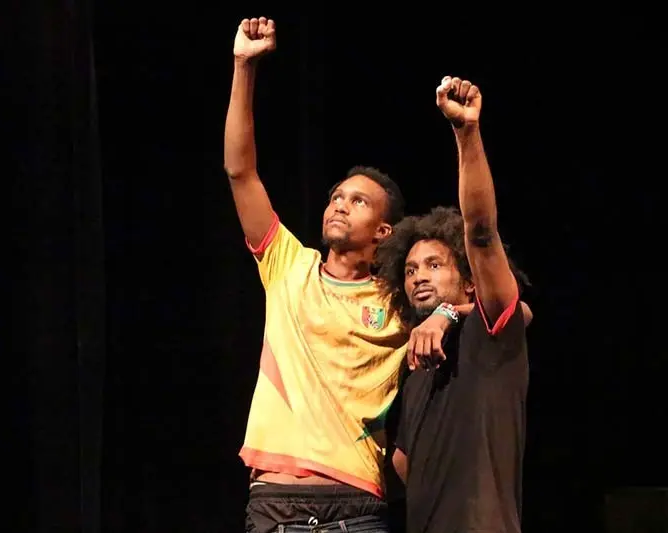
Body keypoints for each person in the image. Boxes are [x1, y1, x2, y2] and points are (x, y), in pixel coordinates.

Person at [224, 16, 437, 533]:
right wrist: (243, 67)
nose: (340, 205)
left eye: (358, 201)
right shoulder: (288, 264)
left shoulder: (399, 297)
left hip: (357, 507)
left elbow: (501, 308)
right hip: (275, 502)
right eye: (337, 197)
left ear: (384, 231)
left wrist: (444, 315)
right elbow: (240, 171)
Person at [375, 75, 531, 533]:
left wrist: (466, 132)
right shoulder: (418, 367)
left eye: (434, 265)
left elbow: (480, 232)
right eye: (410, 270)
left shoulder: (491, 335)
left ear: (469, 283)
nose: (419, 276)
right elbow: (403, 464)